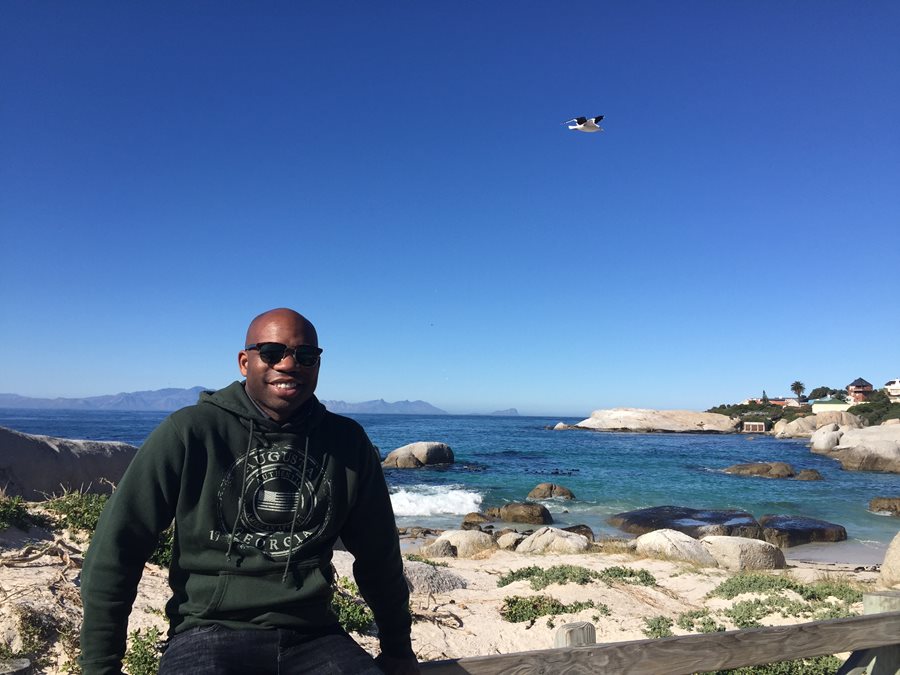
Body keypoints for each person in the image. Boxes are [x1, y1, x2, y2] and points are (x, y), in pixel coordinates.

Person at [80, 308, 419, 675]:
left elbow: (379, 554)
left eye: (305, 356)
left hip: (315, 634)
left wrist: (398, 648)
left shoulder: (346, 442)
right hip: (207, 631)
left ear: (318, 364)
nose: (289, 364)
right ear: (245, 362)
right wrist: (100, 666)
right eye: (272, 353)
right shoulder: (190, 432)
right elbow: (118, 546)